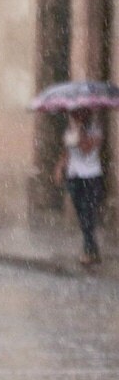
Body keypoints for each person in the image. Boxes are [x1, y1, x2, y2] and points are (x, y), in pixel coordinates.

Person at [54, 108, 107, 265]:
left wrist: (80, 132)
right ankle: (93, 250)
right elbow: (67, 152)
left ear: (86, 115)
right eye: (73, 114)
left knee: (87, 213)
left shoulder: (96, 129)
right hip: (74, 177)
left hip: (91, 177)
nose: (75, 117)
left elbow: (86, 149)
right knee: (81, 214)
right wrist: (59, 167)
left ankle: (88, 251)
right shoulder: (70, 130)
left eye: (79, 114)